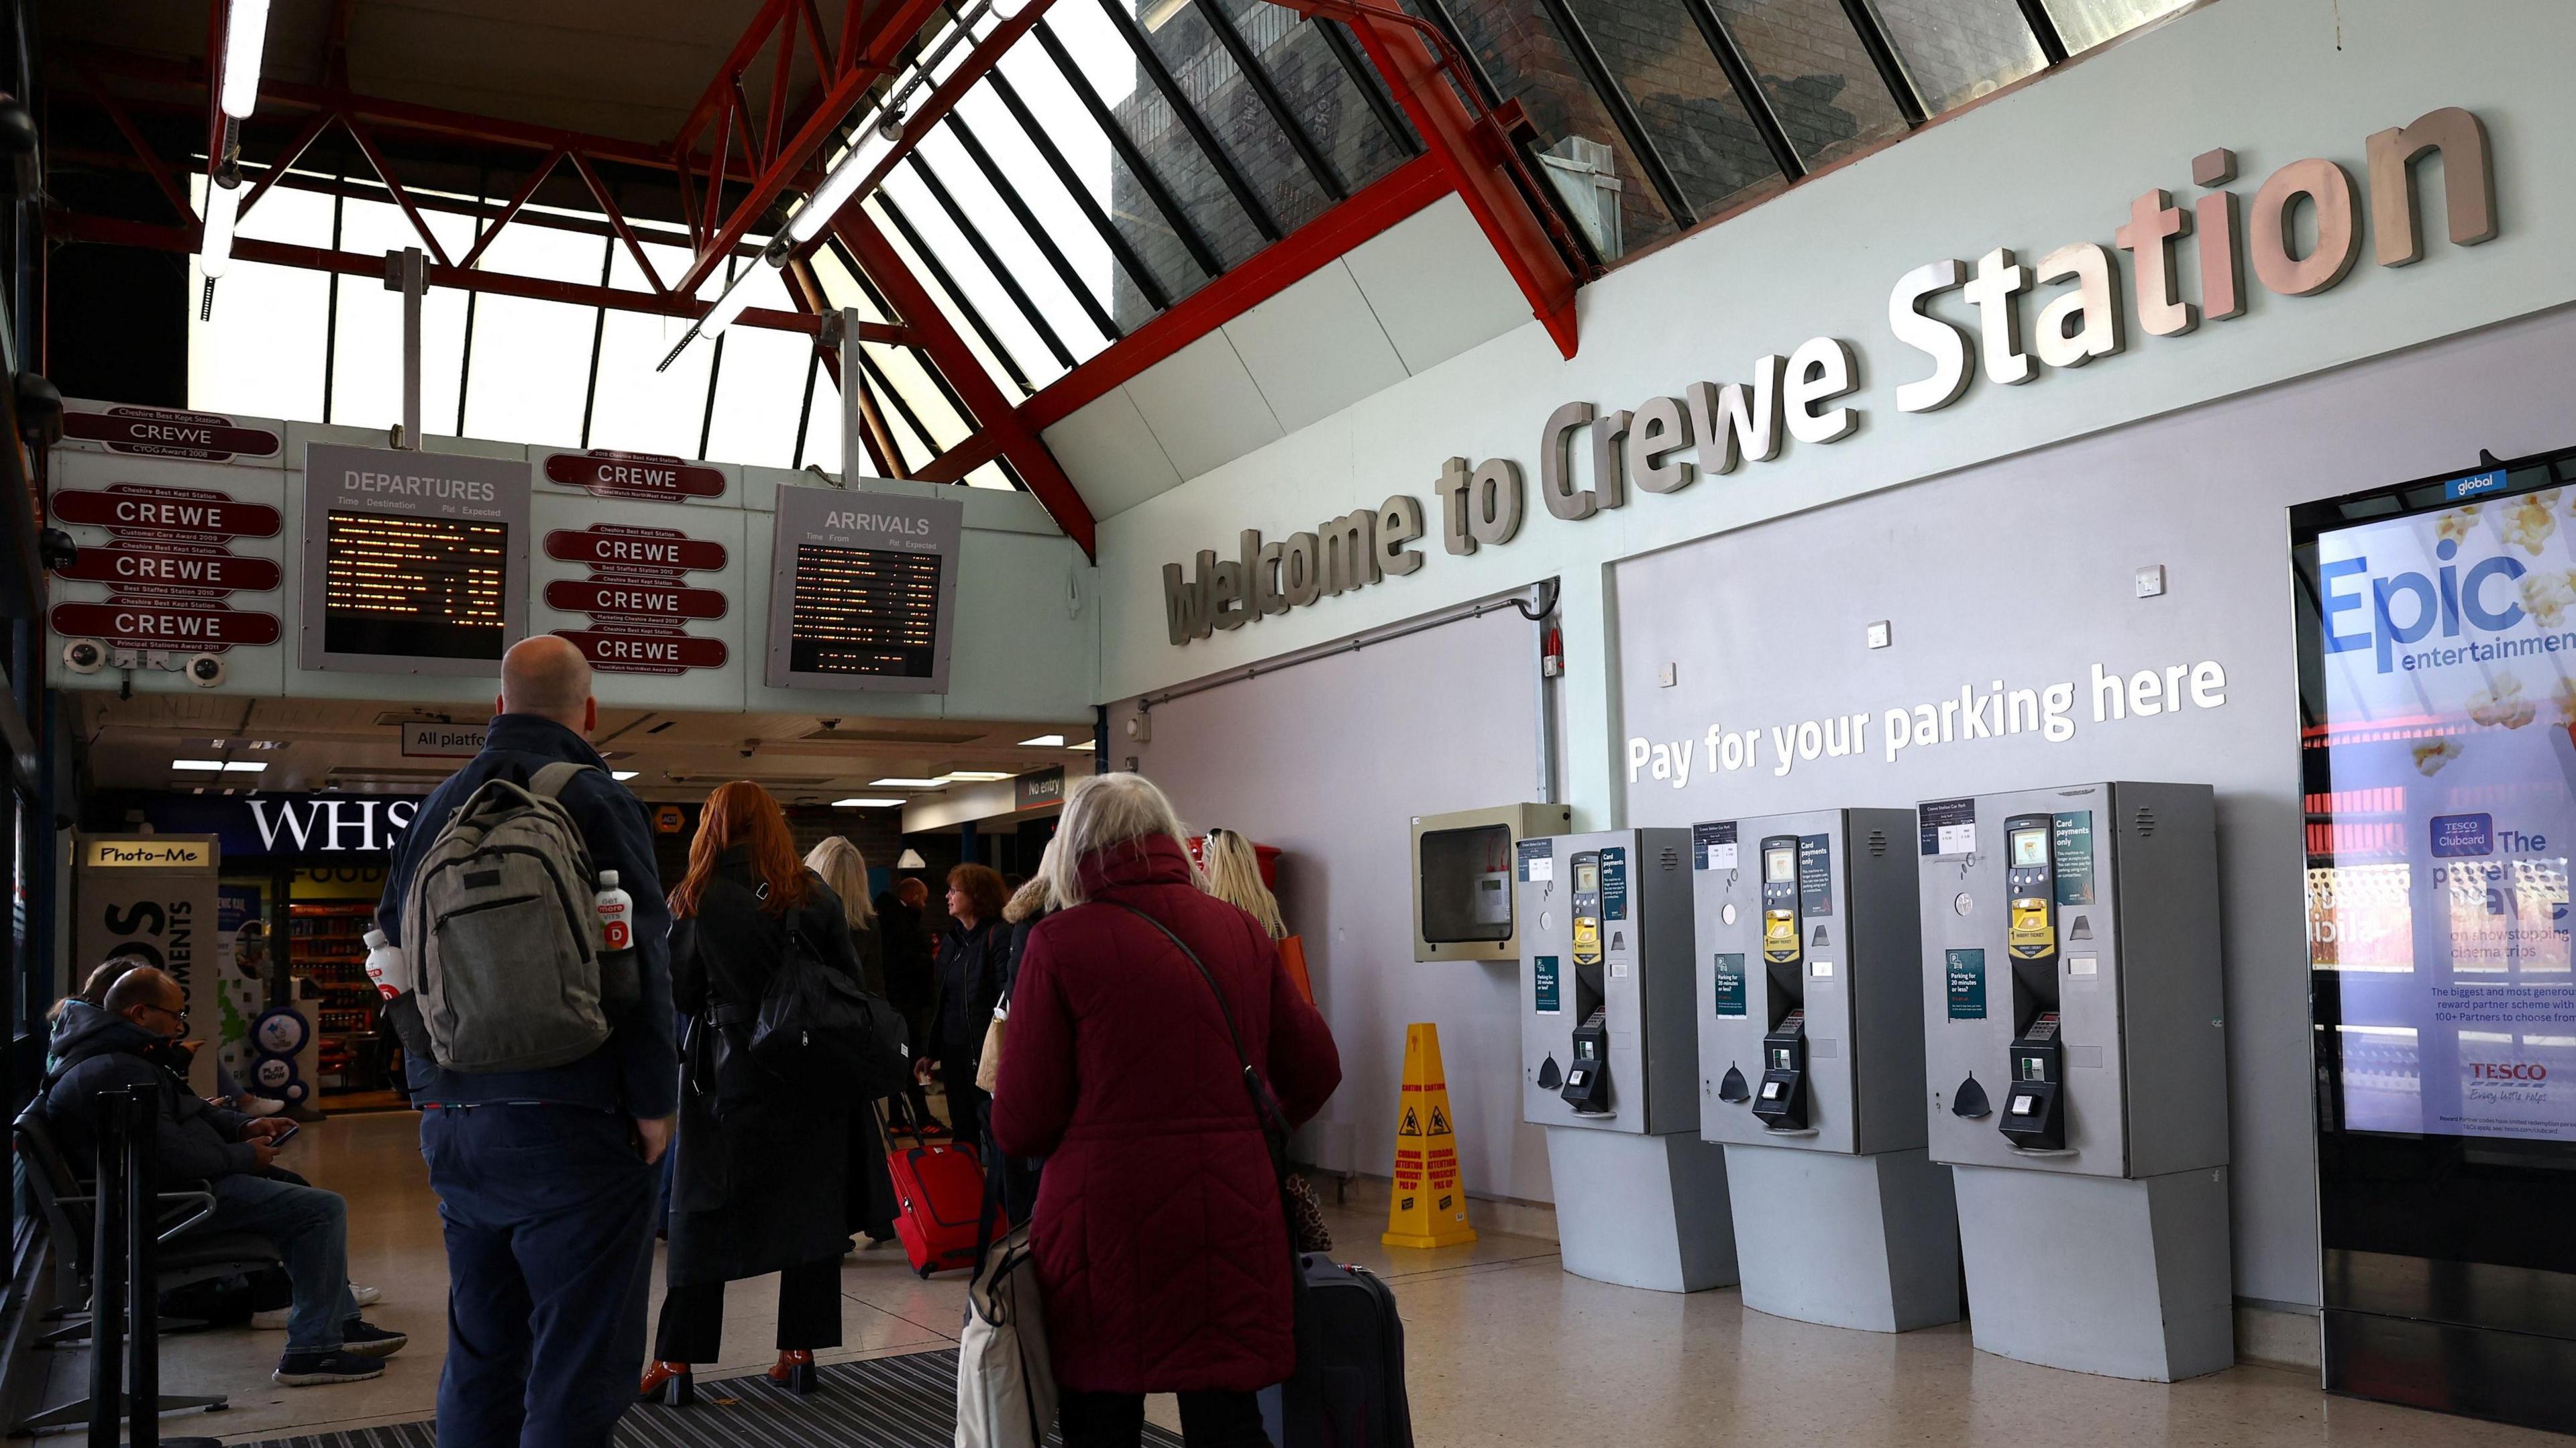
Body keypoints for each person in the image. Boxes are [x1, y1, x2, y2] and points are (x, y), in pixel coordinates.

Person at [376, 634, 676, 1447]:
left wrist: (429, 1087)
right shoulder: (596, 796)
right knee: (577, 1358)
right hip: (577, 1116)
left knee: (482, 1349)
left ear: (496, 706)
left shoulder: (436, 805)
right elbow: (642, 954)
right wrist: (654, 1101)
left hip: (460, 1123)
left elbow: (389, 957)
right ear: (591, 710)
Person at [994, 775, 1341, 1448]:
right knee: (1229, 1421)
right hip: (1232, 1213)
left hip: (1102, 1233)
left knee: (1101, 1421)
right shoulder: (1239, 928)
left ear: (1074, 848)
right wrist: (1244, 1128)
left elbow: (1021, 1123)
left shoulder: (1060, 943)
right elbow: (1317, 1068)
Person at [44, 966, 407, 1385]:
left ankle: (337, 1323)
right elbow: (173, 1159)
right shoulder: (117, 1070)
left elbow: (187, 1113)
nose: (181, 1027)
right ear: (141, 1013)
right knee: (321, 1210)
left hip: (160, 1196)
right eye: (175, 1016)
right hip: (170, 1207)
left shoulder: (119, 1056)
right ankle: (312, 1352)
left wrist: (240, 1128)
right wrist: (243, 1157)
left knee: (296, 1192)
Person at [641, 783, 866, 1403]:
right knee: (808, 1210)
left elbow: (680, 994)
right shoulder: (812, 894)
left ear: (712, 826)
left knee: (703, 1213)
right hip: (808, 1076)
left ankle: (677, 1363)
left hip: (726, 1075)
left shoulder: (694, 897)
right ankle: (799, 1352)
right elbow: (851, 981)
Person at [804, 836, 902, 1247]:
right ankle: (877, 1214)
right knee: (863, 1131)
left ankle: (829, 1224)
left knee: (819, 1142)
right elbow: (874, 989)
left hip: (811, 1040)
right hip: (855, 1040)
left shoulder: (802, 919)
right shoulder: (868, 926)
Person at [930, 863, 1011, 1152]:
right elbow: (943, 1001)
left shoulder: (998, 936)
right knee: (962, 1132)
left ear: (976, 896)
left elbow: (1005, 998)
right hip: (954, 1053)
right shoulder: (954, 942)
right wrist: (931, 1052)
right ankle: (969, 1194)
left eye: (955, 890)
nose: (948, 896)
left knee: (994, 1130)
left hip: (983, 1052)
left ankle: (997, 1196)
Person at [875, 875, 943, 1136]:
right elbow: (908, 962)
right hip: (907, 1005)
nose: (925, 906)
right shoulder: (902, 924)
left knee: (900, 1060)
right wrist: (931, 960)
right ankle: (923, 1117)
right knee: (915, 1059)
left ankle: (897, 1119)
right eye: (924, 899)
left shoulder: (888, 919)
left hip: (895, 1005)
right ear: (914, 897)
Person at [1197, 829, 1286, 941]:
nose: (1202, 872)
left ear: (1216, 869)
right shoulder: (1268, 905)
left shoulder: (1217, 913)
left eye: (1204, 865)